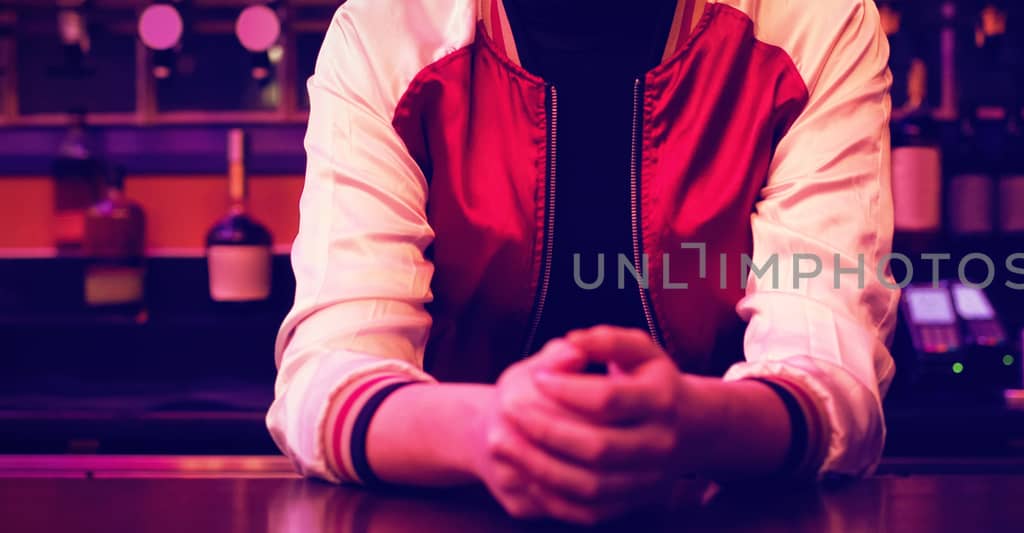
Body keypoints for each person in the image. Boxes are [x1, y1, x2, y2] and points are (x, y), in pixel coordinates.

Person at [268, 0, 897, 524]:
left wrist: (691, 423)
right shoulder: (388, 29)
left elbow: (832, 370)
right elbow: (327, 373)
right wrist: (493, 431)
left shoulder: (814, 20)